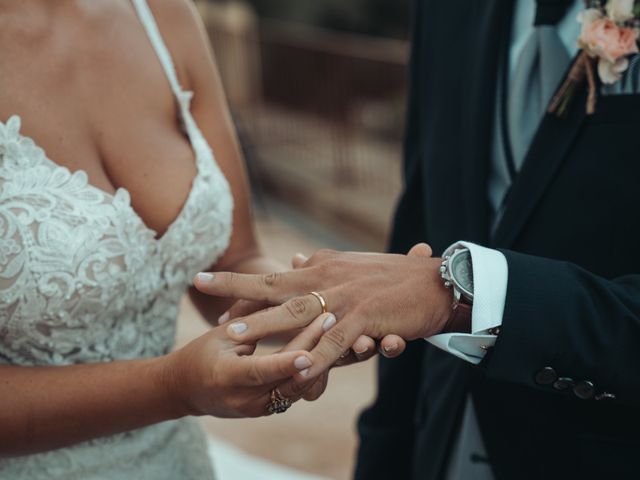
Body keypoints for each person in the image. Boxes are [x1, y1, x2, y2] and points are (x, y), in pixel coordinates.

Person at [194, 0, 640, 478]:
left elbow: (426, 284)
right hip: (441, 441)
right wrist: (383, 453)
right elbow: (419, 229)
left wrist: (460, 292)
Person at [0, 1, 399, 478]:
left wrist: (337, 303)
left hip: (177, 463)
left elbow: (233, 259)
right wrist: (173, 387)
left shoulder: (162, 16)